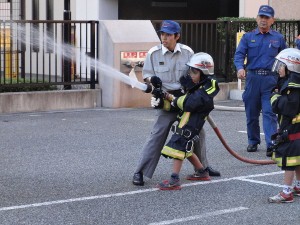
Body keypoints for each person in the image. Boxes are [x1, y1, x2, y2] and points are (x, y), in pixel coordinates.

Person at [132, 20, 220, 186]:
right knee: (158, 134)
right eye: (162, 34)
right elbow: (147, 75)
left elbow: (196, 75)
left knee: (198, 133)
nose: (164, 38)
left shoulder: (187, 52)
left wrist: (194, 96)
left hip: (186, 101)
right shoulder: (153, 53)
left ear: (177, 36)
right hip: (166, 100)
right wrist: (153, 80)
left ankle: (203, 169)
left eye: (168, 35)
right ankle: (140, 172)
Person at [155, 52, 219, 190]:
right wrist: (163, 98)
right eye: (190, 70)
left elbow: (189, 103)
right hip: (186, 121)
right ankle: (202, 172)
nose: (190, 74)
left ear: (203, 73)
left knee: (179, 146)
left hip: (192, 124)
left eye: (194, 72)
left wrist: (173, 99)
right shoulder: (197, 86)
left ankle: (174, 179)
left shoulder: (208, 88)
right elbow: (185, 99)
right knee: (186, 149)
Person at [234, 5, 287, 156]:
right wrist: (239, 67)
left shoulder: (278, 38)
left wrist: (283, 73)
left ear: (272, 20)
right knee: (251, 112)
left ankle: (271, 143)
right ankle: (253, 141)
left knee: (269, 112)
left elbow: (284, 57)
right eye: (261, 17)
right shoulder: (248, 37)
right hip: (252, 78)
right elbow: (239, 55)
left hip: (270, 79)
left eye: (266, 17)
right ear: (257, 18)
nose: (263, 20)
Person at [268, 48, 300, 203]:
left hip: (293, 130)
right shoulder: (292, 83)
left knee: (289, 160)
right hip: (296, 130)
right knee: (298, 159)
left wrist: (275, 98)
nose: (279, 68)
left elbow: (288, 108)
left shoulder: (294, 87)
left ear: (291, 67)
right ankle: (299, 186)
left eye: (282, 65)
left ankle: (286, 192)